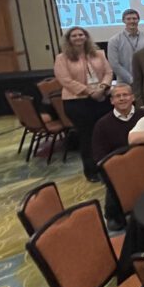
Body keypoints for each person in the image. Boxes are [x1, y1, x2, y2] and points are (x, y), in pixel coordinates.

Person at [54, 26, 114, 181]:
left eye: (81, 34)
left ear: (86, 37)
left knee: (103, 134)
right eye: (74, 35)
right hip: (77, 102)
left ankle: (109, 168)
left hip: (101, 98)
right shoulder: (62, 58)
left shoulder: (98, 53)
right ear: (69, 39)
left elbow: (108, 72)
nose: (78, 37)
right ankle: (91, 171)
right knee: (87, 137)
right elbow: (65, 80)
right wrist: (89, 91)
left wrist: (102, 87)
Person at [91, 83, 144, 230]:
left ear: (132, 97)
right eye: (118, 96)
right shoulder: (102, 125)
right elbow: (98, 154)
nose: (122, 99)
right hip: (118, 169)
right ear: (112, 101)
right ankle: (113, 214)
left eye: (125, 95)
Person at [107, 9, 144, 84]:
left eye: (134, 18)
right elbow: (114, 64)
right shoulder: (114, 40)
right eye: (128, 19)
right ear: (123, 21)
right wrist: (131, 79)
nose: (132, 21)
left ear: (138, 20)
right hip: (124, 83)